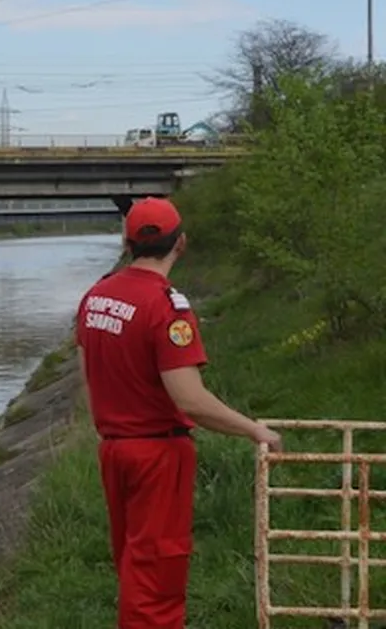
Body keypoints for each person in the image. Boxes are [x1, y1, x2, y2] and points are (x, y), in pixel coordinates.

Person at [74, 196, 283, 629]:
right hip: (157, 455)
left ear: (126, 241)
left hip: (114, 450)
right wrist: (255, 430)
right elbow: (189, 399)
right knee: (157, 578)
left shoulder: (95, 297)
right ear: (181, 243)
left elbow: (88, 377)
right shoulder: (166, 308)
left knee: (133, 564)